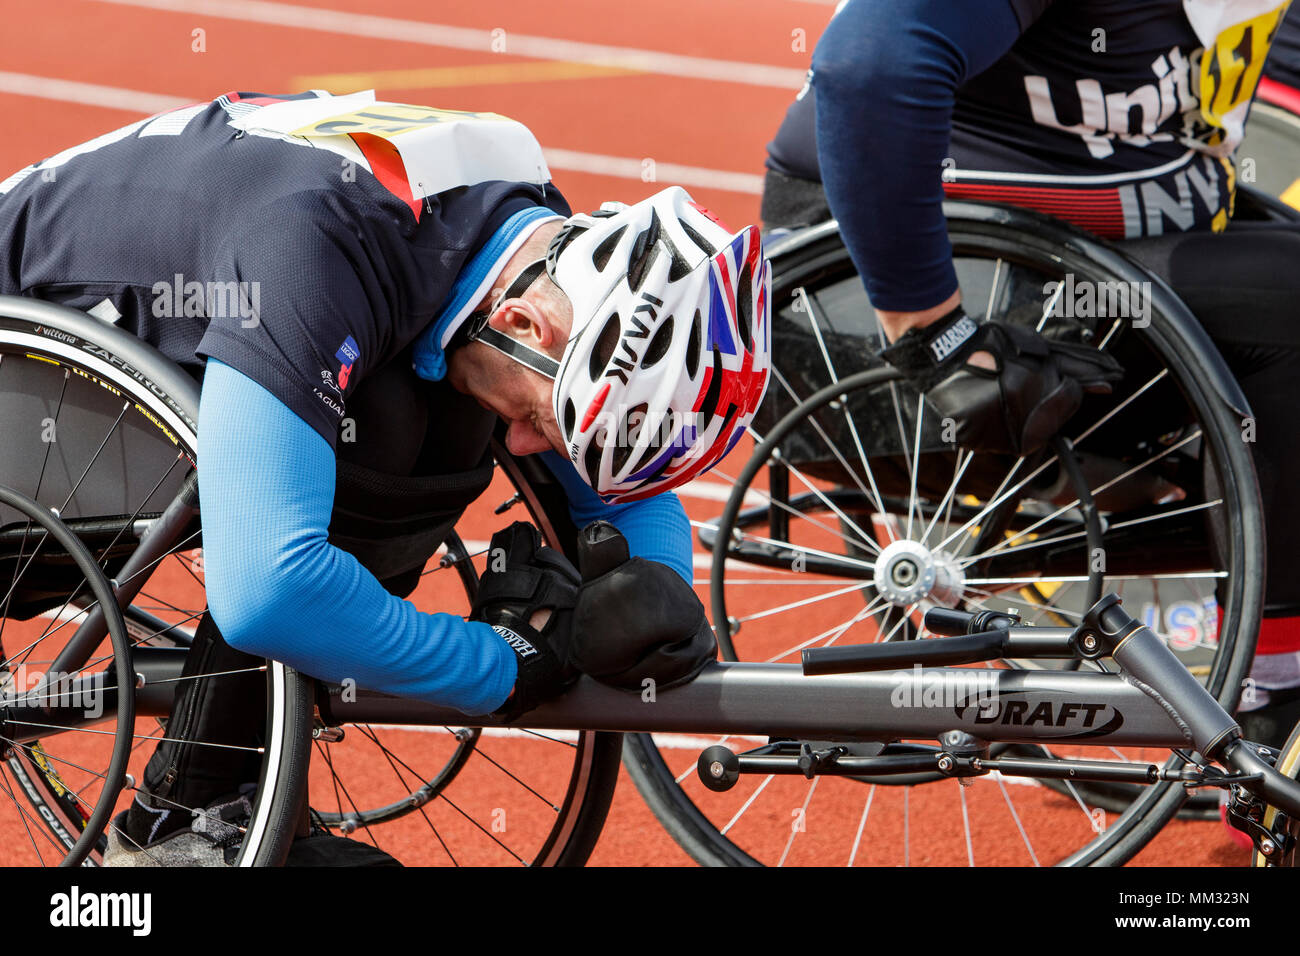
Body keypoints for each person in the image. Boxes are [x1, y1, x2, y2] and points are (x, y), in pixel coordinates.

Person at [0, 90, 771, 864]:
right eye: (553, 416)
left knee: (445, 394)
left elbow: (613, 490)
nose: (532, 443)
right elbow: (269, 590)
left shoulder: (522, 236)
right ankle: (192, 821)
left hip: (100, 382)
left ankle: (239, 791)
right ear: (525, 324)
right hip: (22, 406)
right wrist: (498, 667)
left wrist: (654, 590)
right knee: (394, 419)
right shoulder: (312, 250)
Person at [760, 0, 1300, 750]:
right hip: (902, 271)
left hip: (1110, 223)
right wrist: (932, 336)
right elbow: (867, 66)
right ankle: (1276, 698)